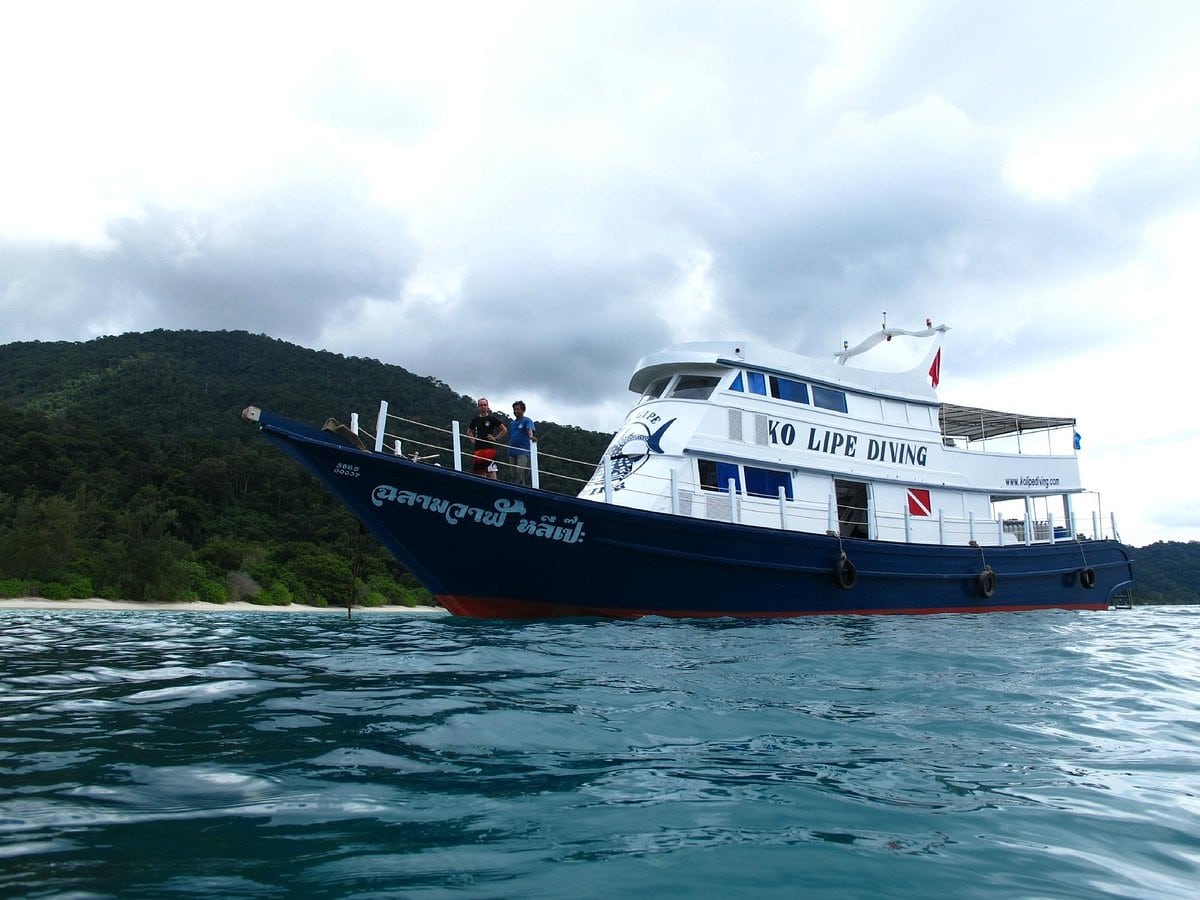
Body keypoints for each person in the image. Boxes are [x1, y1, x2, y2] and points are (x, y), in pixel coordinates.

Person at [466, 398, 507, 479]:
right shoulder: (476, 420)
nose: (483, 407)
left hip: (489, 448)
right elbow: (469, 431)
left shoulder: (491, 419)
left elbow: (504, 429)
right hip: (479, 448)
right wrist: (472, 439)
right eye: (481, 405)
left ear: (488, 406)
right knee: (481, 471)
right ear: (478, 407)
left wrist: (495, 438)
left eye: (484, 405)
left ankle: (495, 487)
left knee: (491, 470)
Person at [507, 400, 537, 486]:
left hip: (523, 451)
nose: (516, 411)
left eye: (518, 409)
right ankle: (521, 489)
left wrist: (531, 437)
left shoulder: (527, 421)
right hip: (512, 451)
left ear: (523, 410)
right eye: (514, 409)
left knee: (519, 471)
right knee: (513, 474)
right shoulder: (512, 423)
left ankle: (513, 488)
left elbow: (529, 429)